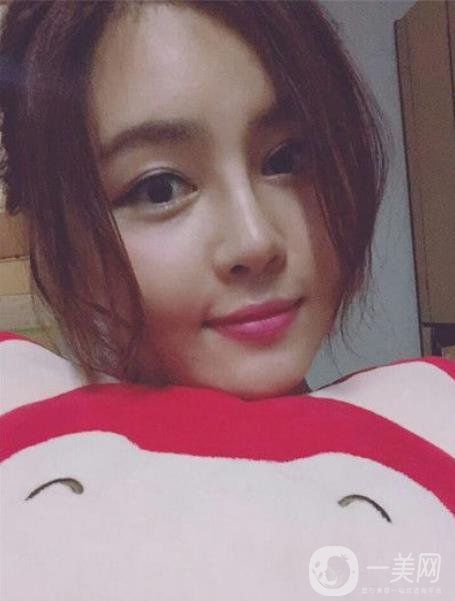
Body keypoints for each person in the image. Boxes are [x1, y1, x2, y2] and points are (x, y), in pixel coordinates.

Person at [0, 0, 388, 400]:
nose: (255, 242)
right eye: (160, 189)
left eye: (286, 159)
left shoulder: (418, 412)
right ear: (56, 239)